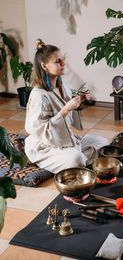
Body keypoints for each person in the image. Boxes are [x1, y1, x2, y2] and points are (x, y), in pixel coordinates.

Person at [24, 39, 109, 174]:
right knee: (76, 160)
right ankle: (50, 160)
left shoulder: (61, 86)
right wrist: (65, 110)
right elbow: (40, 131)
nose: (63, 64)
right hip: (45, 146)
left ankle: (71, 158)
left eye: (62, 60)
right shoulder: (39, 96)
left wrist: (79, 100)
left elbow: (68, 110)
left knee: (104, 143)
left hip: (65, 138)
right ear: (44, 66)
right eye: (58, 61)